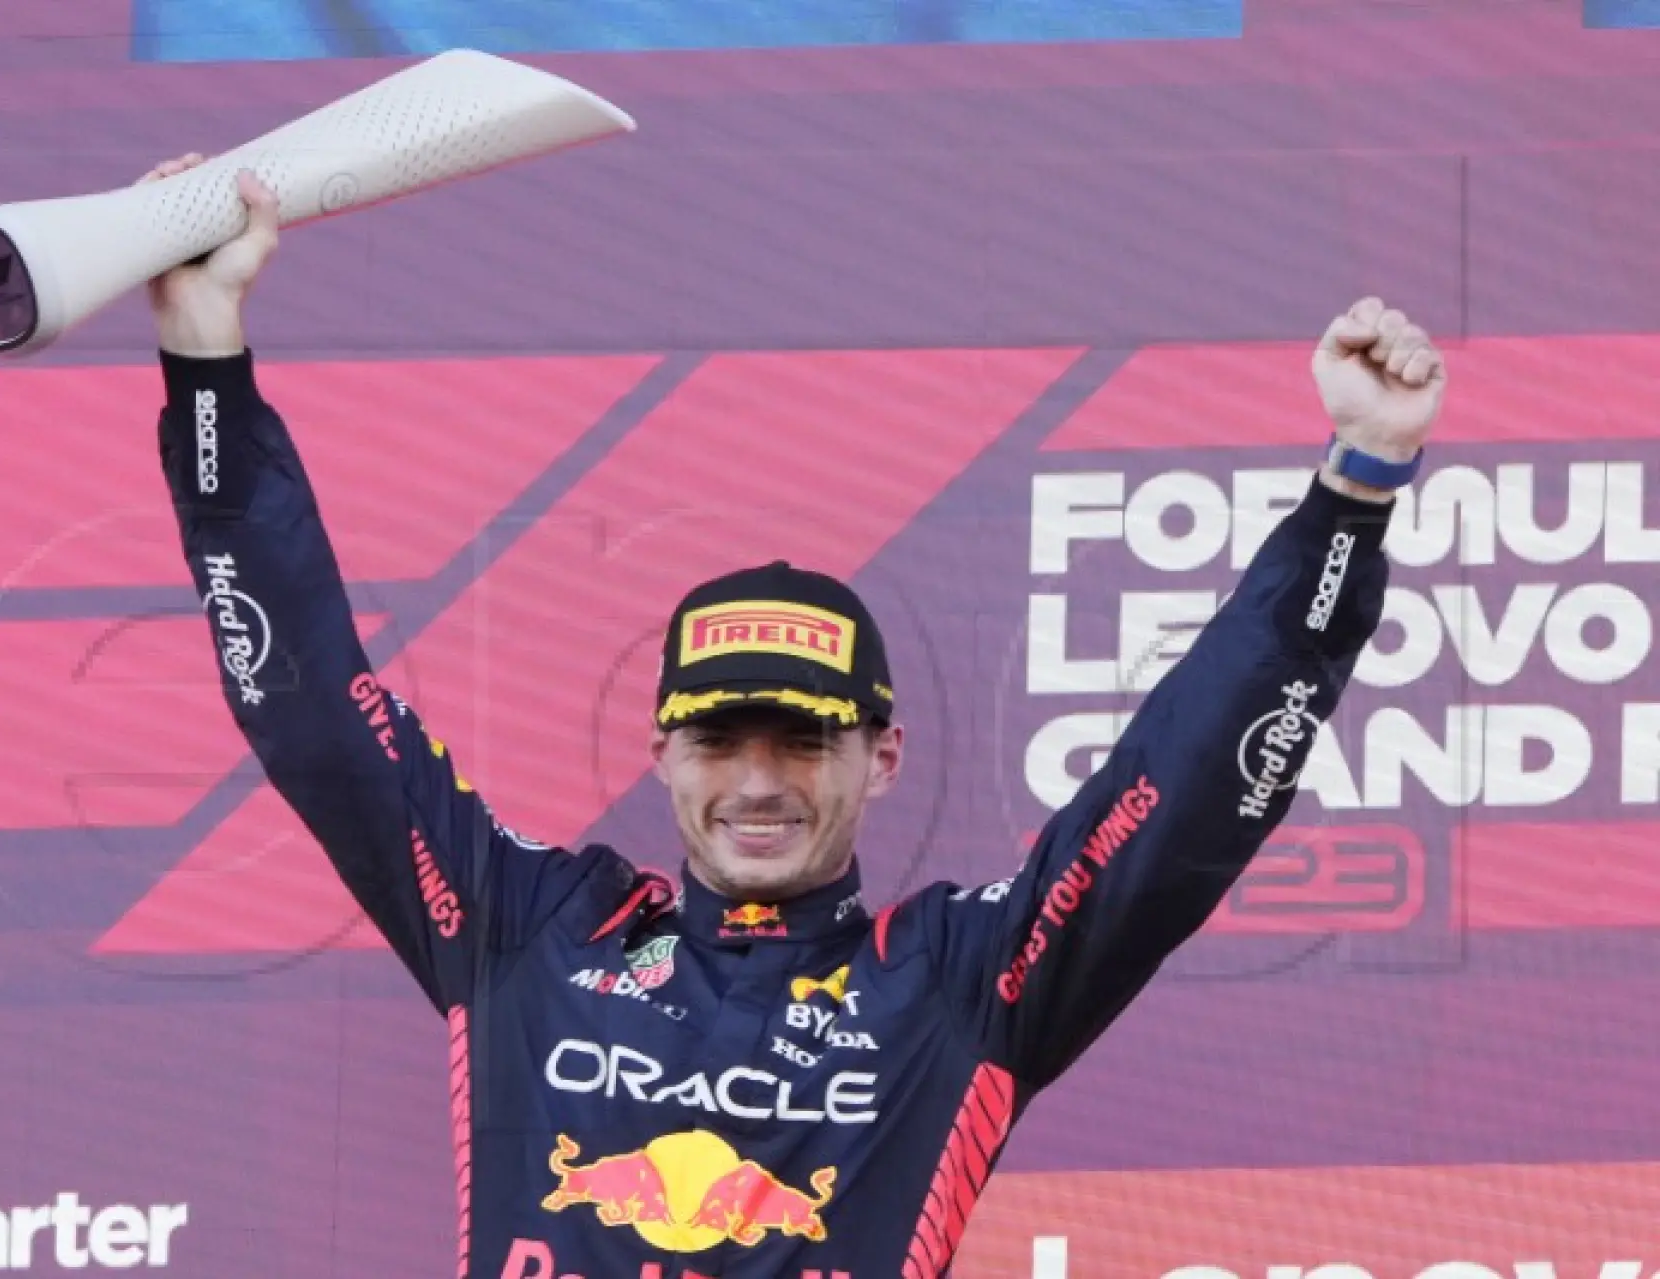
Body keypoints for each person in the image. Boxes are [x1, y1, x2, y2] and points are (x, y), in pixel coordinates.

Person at [139, 156, 1447, 1279]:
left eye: (806, 739)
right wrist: (206, 361)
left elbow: (1185, 786)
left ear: (882, 757)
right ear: (662, 753)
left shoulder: (956, 980)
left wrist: (1354, 492)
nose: (758, 780)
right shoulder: (531, 932)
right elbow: (312, 707)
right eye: (719, 738)